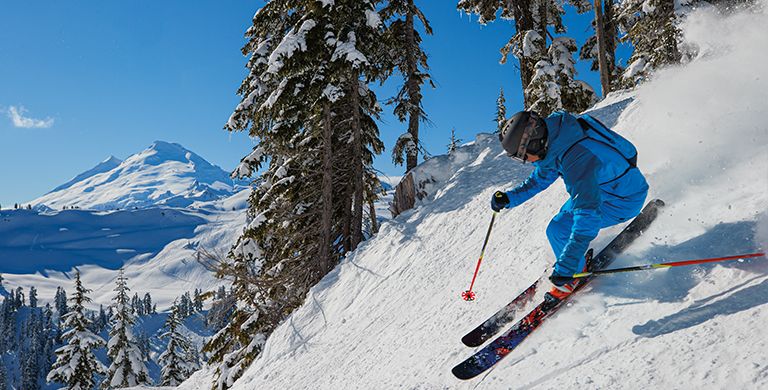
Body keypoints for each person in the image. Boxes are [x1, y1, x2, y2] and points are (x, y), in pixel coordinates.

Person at [491, 110, 649, 300]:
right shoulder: (557, 138)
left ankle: (573, 275)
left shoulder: (576, 158)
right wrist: (509, 198)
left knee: (559, 229)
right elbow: (540, 179)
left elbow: (587, 216)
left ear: (534, 142)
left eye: (522, 156)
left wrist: (569, 264)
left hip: (623, 199)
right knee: (560, 226)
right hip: (606, 189)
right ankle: (573, 261)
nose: (525, 161)